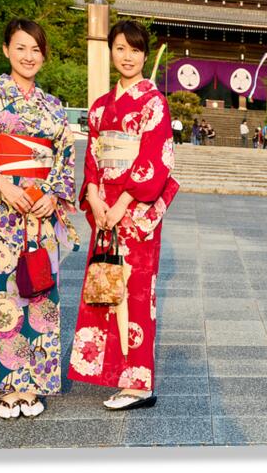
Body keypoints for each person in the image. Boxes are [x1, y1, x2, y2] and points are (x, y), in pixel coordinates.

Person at [0, 18, 79, 420]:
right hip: (2, 210)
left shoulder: (53, 106)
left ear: (44, 56)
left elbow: (65, 155)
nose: (29, 56)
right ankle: (9, 386)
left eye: (36, 49)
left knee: (39, 290)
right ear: (6, 49)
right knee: (3, 295)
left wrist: (54, 192)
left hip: (39, 213)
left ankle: (34, 383)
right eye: (21, 47)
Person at [69, 20, 179, 411]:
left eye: (134, 50)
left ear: (145, 55)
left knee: (135, 292)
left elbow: (155, 159)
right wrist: (96, 199)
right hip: (106, 211)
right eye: (120, 48)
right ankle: (116, 374)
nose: (127, 56)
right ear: (111, 52)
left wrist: (120, 205)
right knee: (106, 290)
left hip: (136, 210)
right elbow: (94, 160)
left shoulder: (154, 103)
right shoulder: (100, 107)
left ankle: (139, 383)